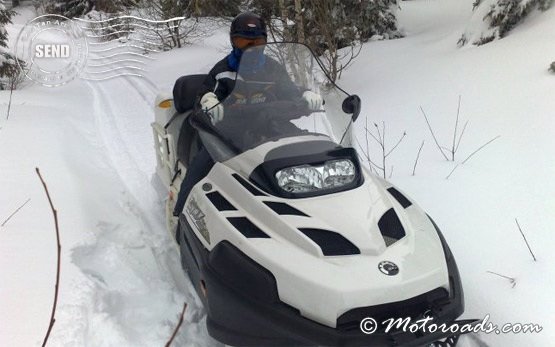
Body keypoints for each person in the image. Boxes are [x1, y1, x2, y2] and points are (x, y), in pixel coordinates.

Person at [173, 12, 323, 217]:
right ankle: (181, 214)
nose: (251, 47)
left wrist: (304, 95)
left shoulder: (272, 68)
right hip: (228, 132)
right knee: (201, 166)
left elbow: (289, 90)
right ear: (234, 42)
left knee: (304, 151)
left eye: (258, 41)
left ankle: (315, 205)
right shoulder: (223, 71)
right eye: (244, 41)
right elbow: (204, 96)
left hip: (270, 124)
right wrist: (208, 100)